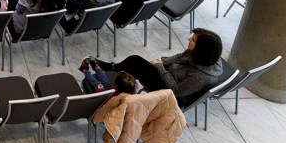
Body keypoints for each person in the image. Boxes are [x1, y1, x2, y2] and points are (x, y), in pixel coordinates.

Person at [96, 28, 225, 108]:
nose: (189, 39)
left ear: (201, 49)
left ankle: (113, 83)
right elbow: (180, 56)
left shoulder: (199, 78)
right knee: (136, 62)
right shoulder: (203, 55)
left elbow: (176, 90)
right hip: (168, 76)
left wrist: (160, 67)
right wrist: (162, 62)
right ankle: (114, 75)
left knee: (136, 63)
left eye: (193, 40)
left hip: (170, 95)